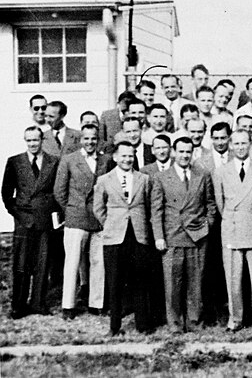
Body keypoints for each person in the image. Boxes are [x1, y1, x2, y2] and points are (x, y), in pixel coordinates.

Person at [150, 137, 217, 332]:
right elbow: (156, 210)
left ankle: (195, 321)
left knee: (196, 282)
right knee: (173, 284)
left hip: (197, 236)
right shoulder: (161, 177)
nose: (185, 155)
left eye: (188, 151)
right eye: (181, 151)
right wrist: (159, 236)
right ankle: (175, 324)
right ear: (173, 152)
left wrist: (207, 225)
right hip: (173, 236)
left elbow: (210, 204)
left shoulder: (202, 175)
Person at [92, 141, 156, 335]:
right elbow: (98, 208)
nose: (127, 159)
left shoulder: (144, 179)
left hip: (138, 236)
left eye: (131, 155)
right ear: (115, 157)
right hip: (114, 237)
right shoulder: (104, 180)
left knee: (140, 280)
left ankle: (142, 324)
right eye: (124, 156)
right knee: (115, 282)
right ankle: (115, 326)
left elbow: (149, 206)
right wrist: (111, 224)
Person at [54, 124, 113, 319]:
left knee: (98, 262)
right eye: (86, 138)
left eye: (93, 138)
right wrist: (73, 210)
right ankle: (68, 306)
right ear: (80, 140)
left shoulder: (106, 160)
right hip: (76, 218)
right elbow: (59, 191)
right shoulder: (69, 160)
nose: (90, 142)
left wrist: (102, 212)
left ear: (98, 140)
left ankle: (96, 303)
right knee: (72, 262)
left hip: (98, 218)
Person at [215, 130, 252, 330]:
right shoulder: (221, 171)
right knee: (233, 278)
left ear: (250, 144)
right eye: (236, 144)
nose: (240, 147)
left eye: (244, 143)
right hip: (232, 227)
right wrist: (232, 218)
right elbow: (220, 204)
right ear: (231, 145)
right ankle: (235, 319)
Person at [3, 126, 60, 318]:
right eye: (29, 140)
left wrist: (51, 211)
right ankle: (18, 305)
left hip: (44, 220)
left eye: (36, 140)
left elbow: (57, 191)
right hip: (24, 221)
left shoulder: (54, 161)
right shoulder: (15, 161)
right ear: (25, 141)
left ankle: (38, 303)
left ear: (42, 140)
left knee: (43, 263)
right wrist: (18, 214)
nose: (33, 144)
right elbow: (6, 194)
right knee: (21, 264)